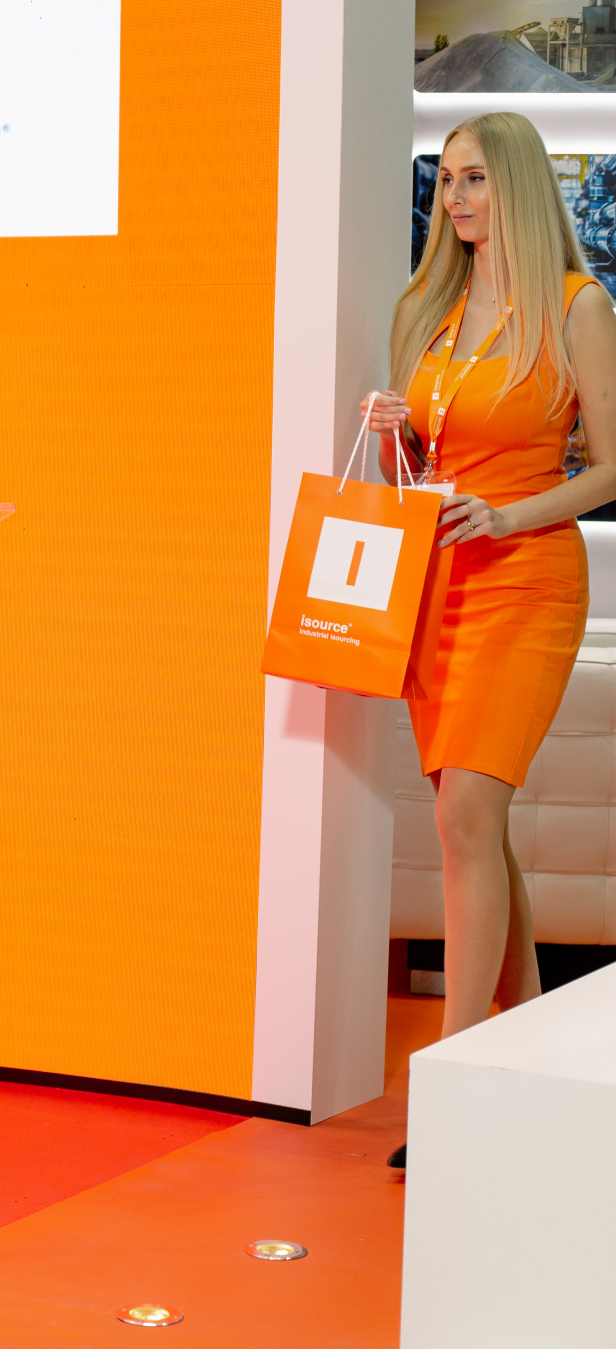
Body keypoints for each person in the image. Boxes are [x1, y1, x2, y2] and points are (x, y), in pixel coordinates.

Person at [363, 111, 616, 1167]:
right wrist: (393, 437)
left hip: (526, 578)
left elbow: (610, 468)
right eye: (448, 179)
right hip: (439, 585)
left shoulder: (576, 305)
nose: (456, 199)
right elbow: (414, 483)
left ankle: (451, 1086)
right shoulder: (426, 308)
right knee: (474, 824)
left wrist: (510, 516)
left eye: (474, 180)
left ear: (513, 184)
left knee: (466, 811)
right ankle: (526, 1053)